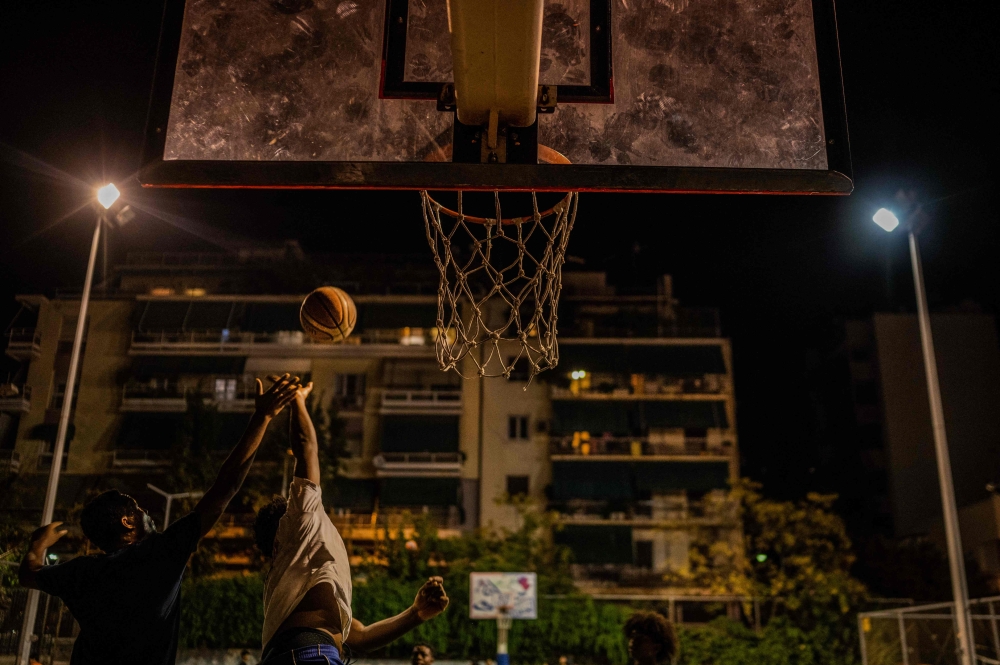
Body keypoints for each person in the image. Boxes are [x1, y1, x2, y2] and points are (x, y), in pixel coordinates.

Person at [19, 374, 302, 665]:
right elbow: (225, 488)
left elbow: (28, 573)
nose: (145, 512)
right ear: (128, 523)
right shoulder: (158, 555)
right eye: (138, 509)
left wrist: (37, 544)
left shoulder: (81, 573)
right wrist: (263, 417)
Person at [254, 382, 450, 665]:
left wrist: (415, 613)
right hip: (309, 656)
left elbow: (360, 637)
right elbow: (306, 448)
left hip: (302, 654)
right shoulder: (298, 524)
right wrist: (297, 400)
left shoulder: (303, 578)